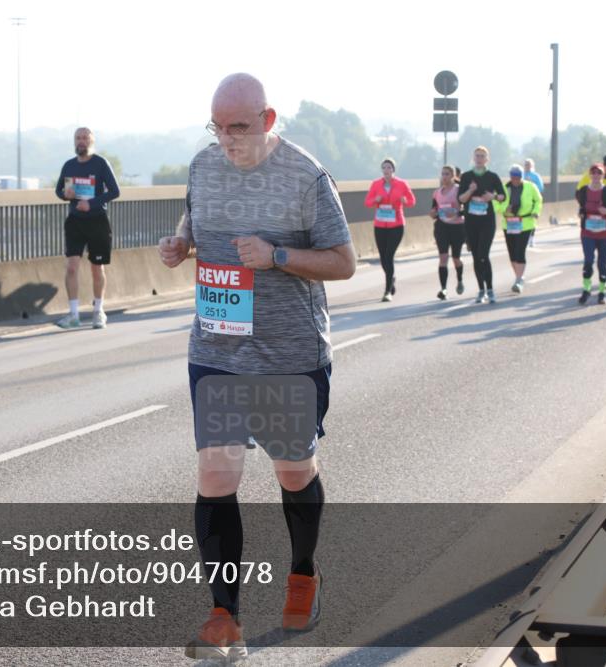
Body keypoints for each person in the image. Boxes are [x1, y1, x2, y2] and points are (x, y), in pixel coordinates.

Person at [157, 73, 355, 662]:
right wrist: (181, 245)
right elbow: (196, 222)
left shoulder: (305, 176)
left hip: (288, 354)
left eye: (237, 128)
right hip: (217, 350)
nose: (226, 140)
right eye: (216, 127)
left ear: (268, 121)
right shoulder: (203, 166)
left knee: (293, 472)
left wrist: (278, 257)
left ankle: (303, 574)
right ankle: (225, 618)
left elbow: (344, 262)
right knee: (216, 475)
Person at [54, 127, 121, 329]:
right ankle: (73, 314)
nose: (81, 141)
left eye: (85, 138)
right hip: (75, 221)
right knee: (72, 267)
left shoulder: (100, 164)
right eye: (78, 138)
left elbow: (115, 191)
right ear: (74, 142)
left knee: (96, 267)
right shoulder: (69, 165)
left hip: (96, 220)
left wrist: (91, 203)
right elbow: (58, 191)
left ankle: (98, 310)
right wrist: (67, 195)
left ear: (91, 141)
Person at [458, 146, 506, 303]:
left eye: (482, 156)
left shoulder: (492, 176)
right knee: (475, 256)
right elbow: (461, 200)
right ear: (473, 158)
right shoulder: (466, 177)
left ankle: (490, 289)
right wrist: (470, 191)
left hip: (487, 221)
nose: (479, 158)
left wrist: (492, 196)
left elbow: (503, 196)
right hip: (471, 221)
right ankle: (481, 290)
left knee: (483, 255)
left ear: (487, 159)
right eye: (477, 156)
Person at [364, 158, 415, 302]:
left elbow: (412, 201)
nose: (386, 170)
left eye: (389, 168)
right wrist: (376, 200)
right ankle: (391, 278)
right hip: (380, 225)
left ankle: (387, 291)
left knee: (389, 256)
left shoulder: (402, 184)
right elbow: (367, 202)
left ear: (393, 170)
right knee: (382, 258)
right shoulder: (376, 184)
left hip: (396, 225)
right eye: (384, 168)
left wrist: (405, 201)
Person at [576, 163, 606, 305]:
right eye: (593, 173)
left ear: (602, 175)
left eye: (598, 173)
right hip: (588, 232)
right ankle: (586, 290)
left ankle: (601, 293)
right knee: (588, 261)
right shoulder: (583, 191)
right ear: (589, 175)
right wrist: (581, 214)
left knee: (602, 262)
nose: (595, 176)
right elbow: (580, 209)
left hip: (604, 233)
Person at [501, 165, 542, 294]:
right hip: (509, 223)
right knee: (512, 253)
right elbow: (496, 202)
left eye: (518, 177)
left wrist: (536, 211)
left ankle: (518, 280)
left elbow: (538, 200)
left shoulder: (530, 186)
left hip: (525, 223)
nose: (515, 180)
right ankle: (519, 276)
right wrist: (503, 209)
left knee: (520, 250)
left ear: (522, 177)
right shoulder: (504, 188)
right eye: (513, 177)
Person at [430, 165, 465, 300]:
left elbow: (465, 208)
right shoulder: (437, 193)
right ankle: (443, 289)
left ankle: (460, 279)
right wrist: (433, 213)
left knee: (456, 259)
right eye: (442, 174)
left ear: (453, 176)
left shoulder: (458, 190)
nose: (444, 177)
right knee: (443, 258)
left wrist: (456, 212)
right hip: (442, 227)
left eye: (447, 174)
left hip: (457, 227)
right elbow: (433, 210)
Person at [523, 159, 544, 248]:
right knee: (523, 219)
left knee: (532, 219)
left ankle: (531, 238)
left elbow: (541, 187)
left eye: (529, 165)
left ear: (532, 166)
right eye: (526, 164)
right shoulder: (521, 175)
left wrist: (532, 187)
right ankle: (524, 238)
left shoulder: (535, 176)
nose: (527, 166)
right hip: (523, 201)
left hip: (533, 201)